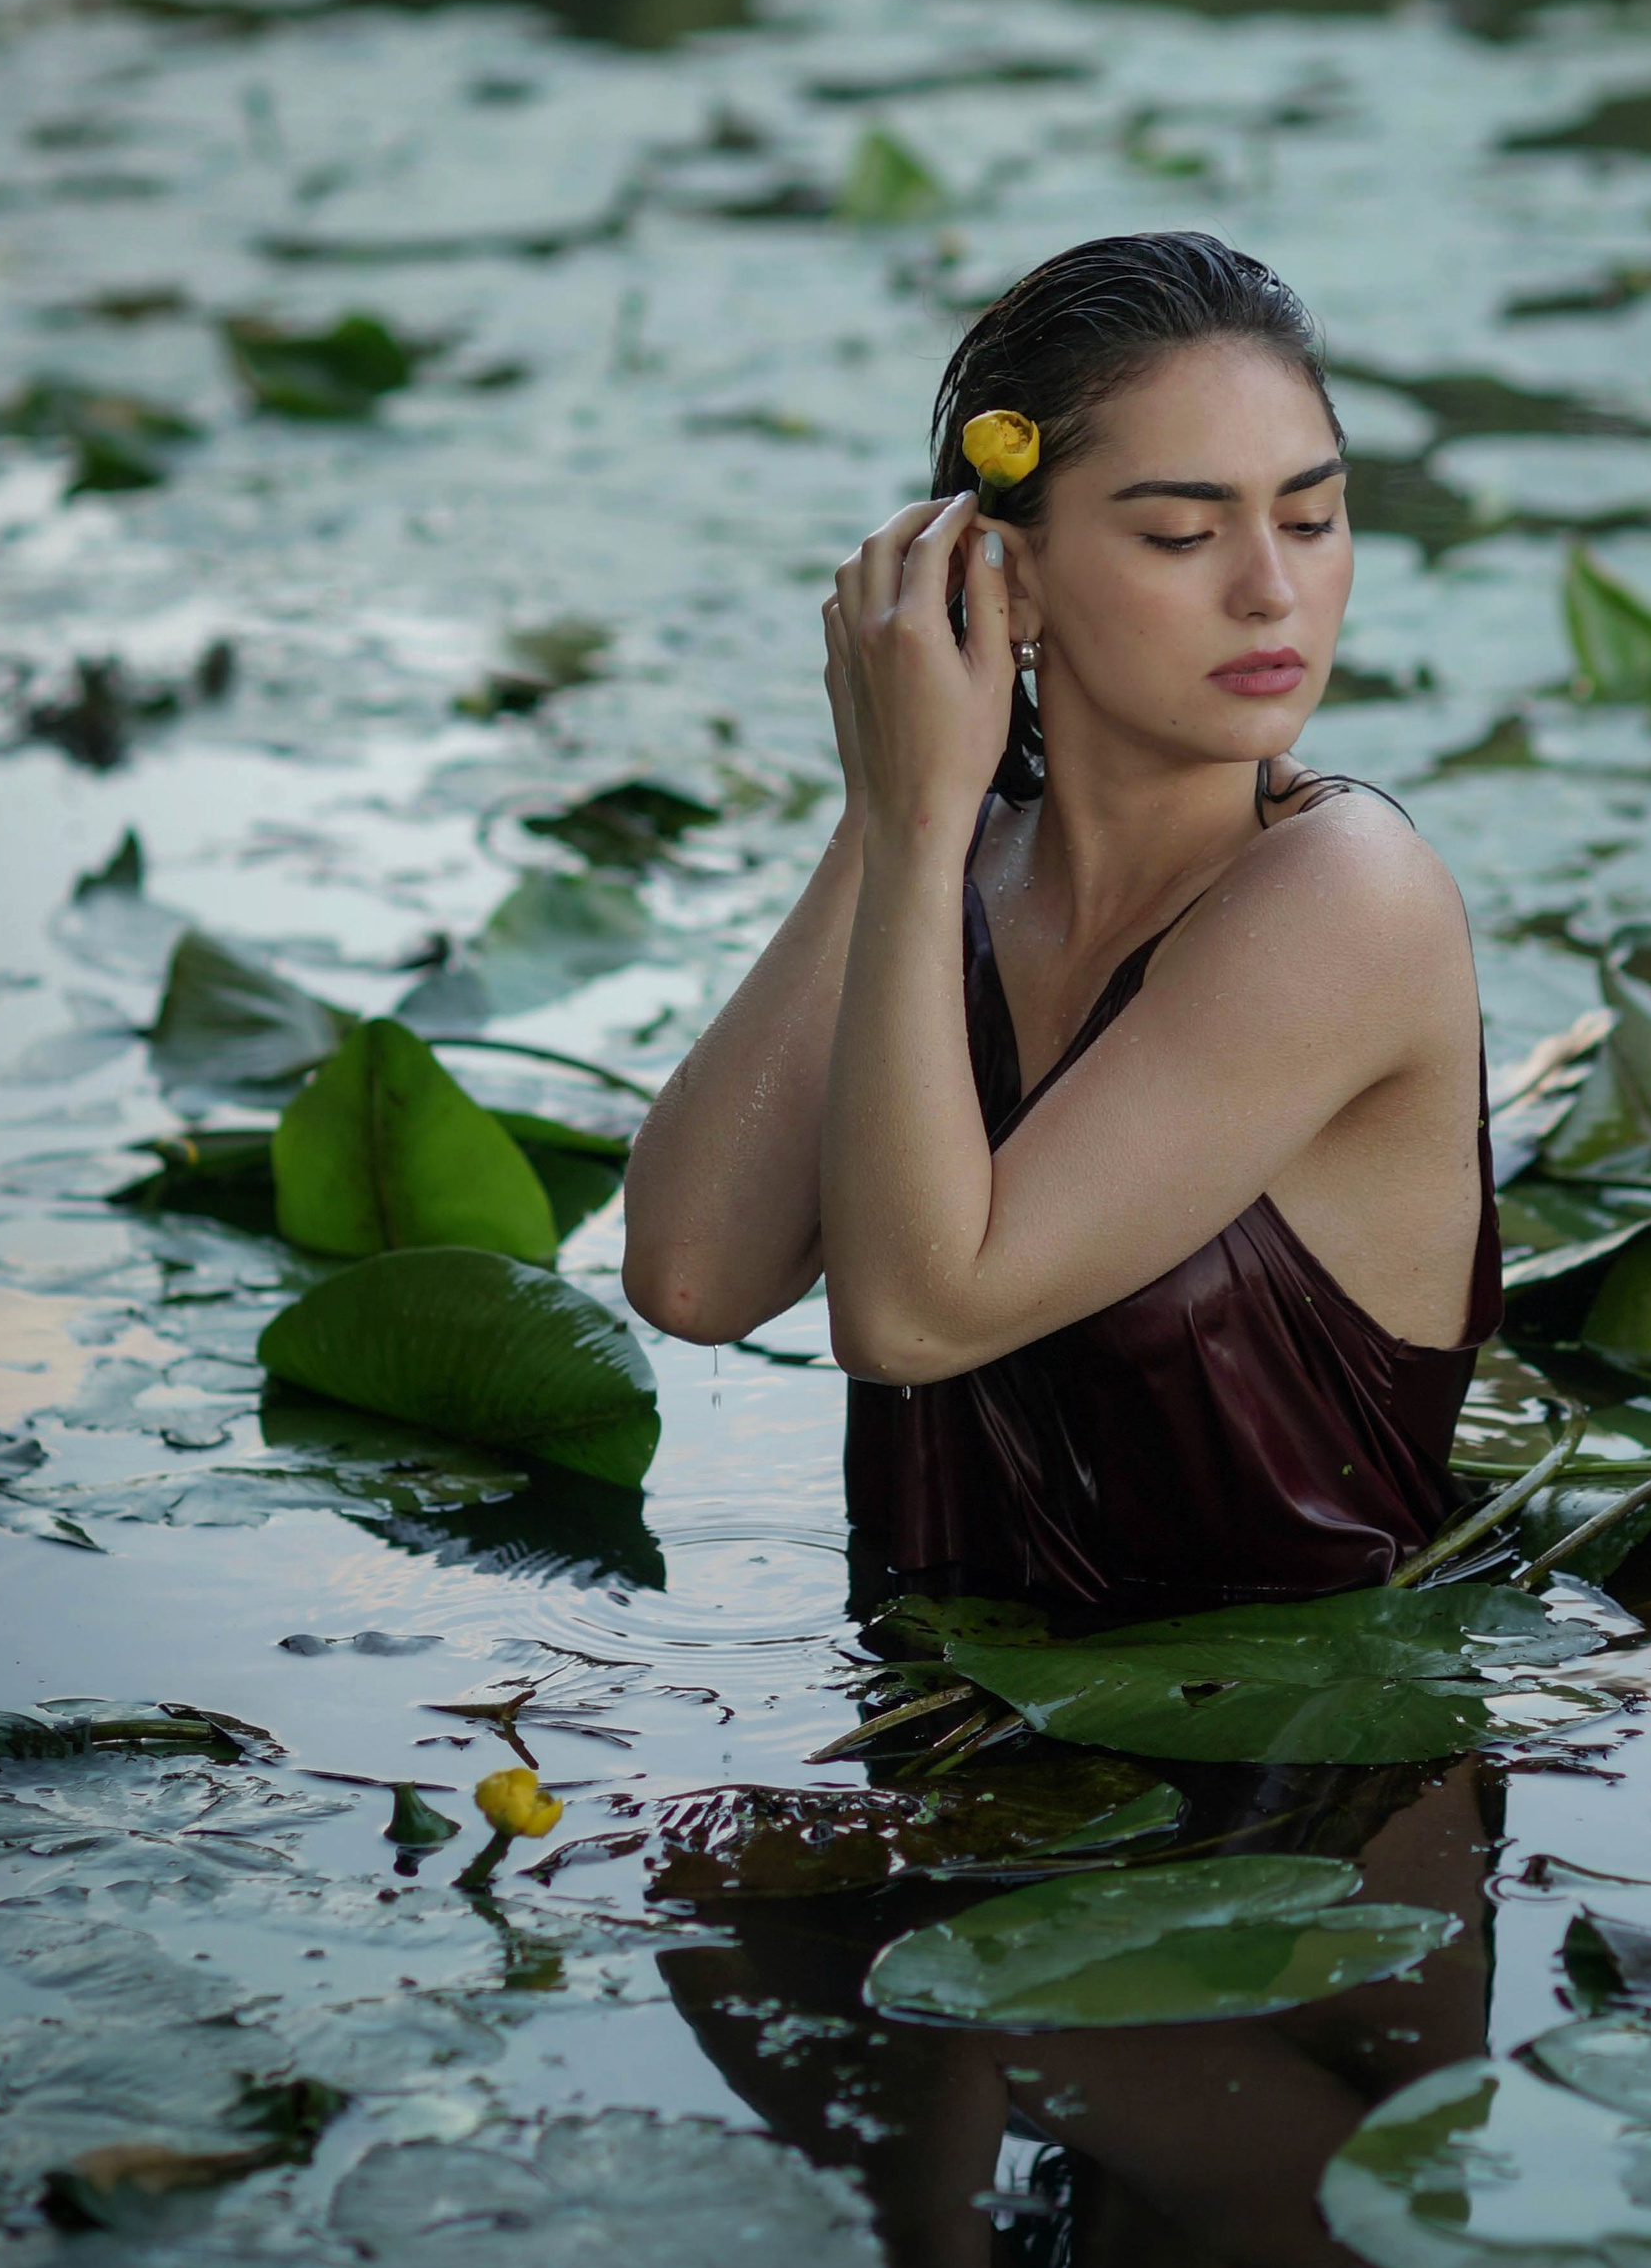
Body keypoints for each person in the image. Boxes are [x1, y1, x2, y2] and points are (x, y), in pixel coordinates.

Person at [621, 229, 1499, 1604]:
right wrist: (886, 818)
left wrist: (919, 839)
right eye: (1182, 534)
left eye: (1311, 519)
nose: (1270, 590)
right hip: (935, 1712)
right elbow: (691, 1280)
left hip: (1296, 1730)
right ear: (1004, 579)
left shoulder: (1348, 897)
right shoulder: (955, 869)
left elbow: (915, 1319)